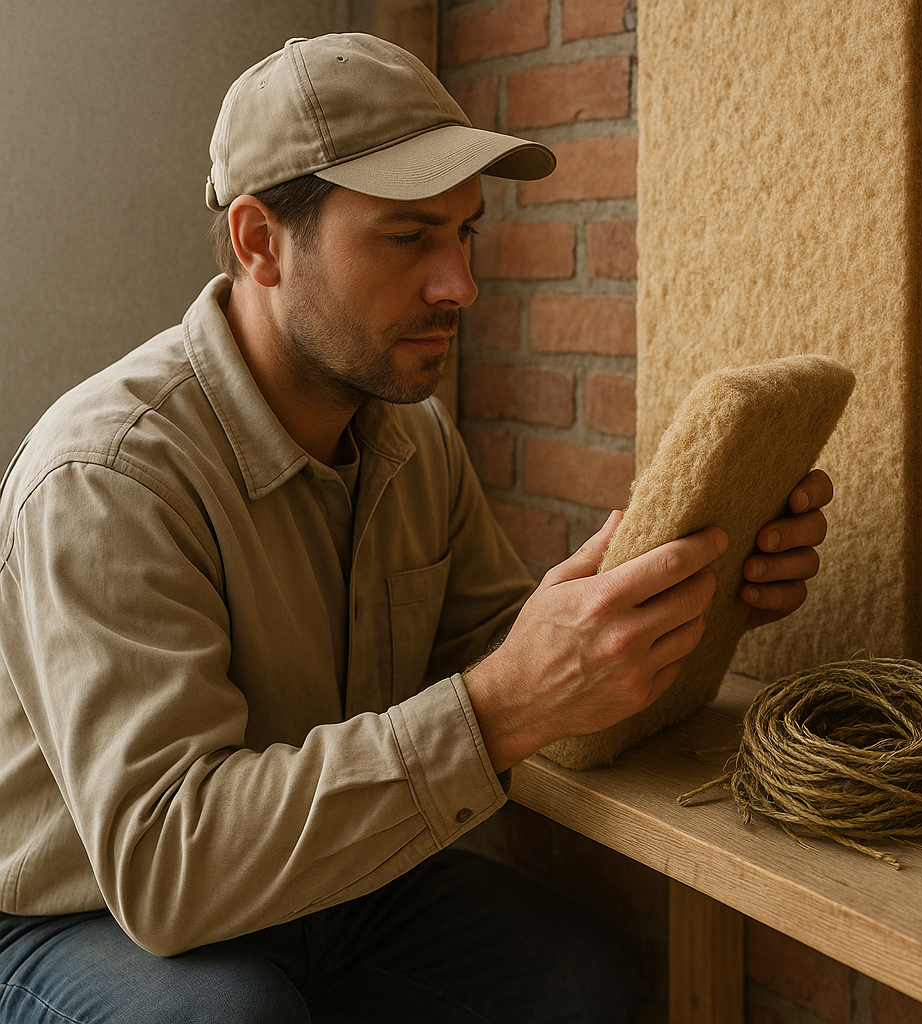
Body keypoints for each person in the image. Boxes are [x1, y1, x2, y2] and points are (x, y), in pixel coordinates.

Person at [0, 33, 833, 1023]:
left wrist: (687, 605)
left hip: (323, 887)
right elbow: (166, 866)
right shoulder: (107, 476)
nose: (459, 284)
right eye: (408, 237)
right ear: (260, 241)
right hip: (80, 915)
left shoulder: (412, 436)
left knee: (581, 981)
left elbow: (496, 656)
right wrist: (503, 705)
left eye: (465, 233)